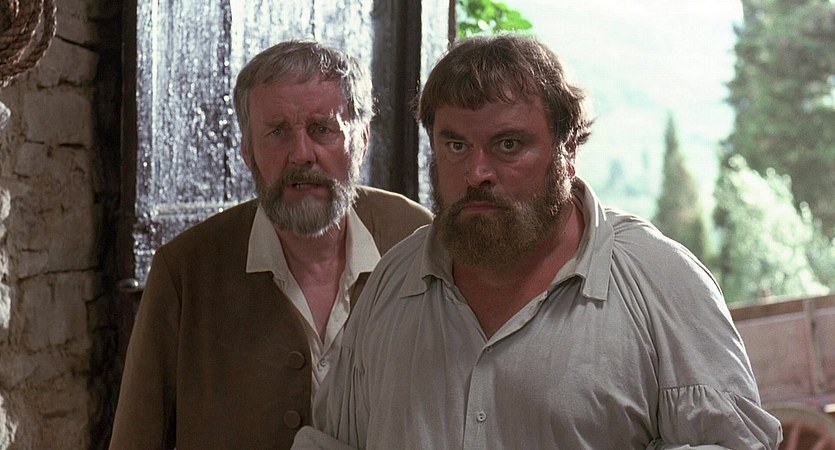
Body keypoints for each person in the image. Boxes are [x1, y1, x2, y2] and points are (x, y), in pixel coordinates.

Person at [293, 34, 782, 449]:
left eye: (508, 145)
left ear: (567, 151)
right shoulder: (393, 284)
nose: (477, 172)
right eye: (456, 145)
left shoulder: (660, 283)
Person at [108, 40, 433, 450]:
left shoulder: (418, 241)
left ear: (362, 140)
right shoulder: (186, 271)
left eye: (322, 129)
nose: (301, 155)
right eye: (277, 132)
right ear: (248, 152)